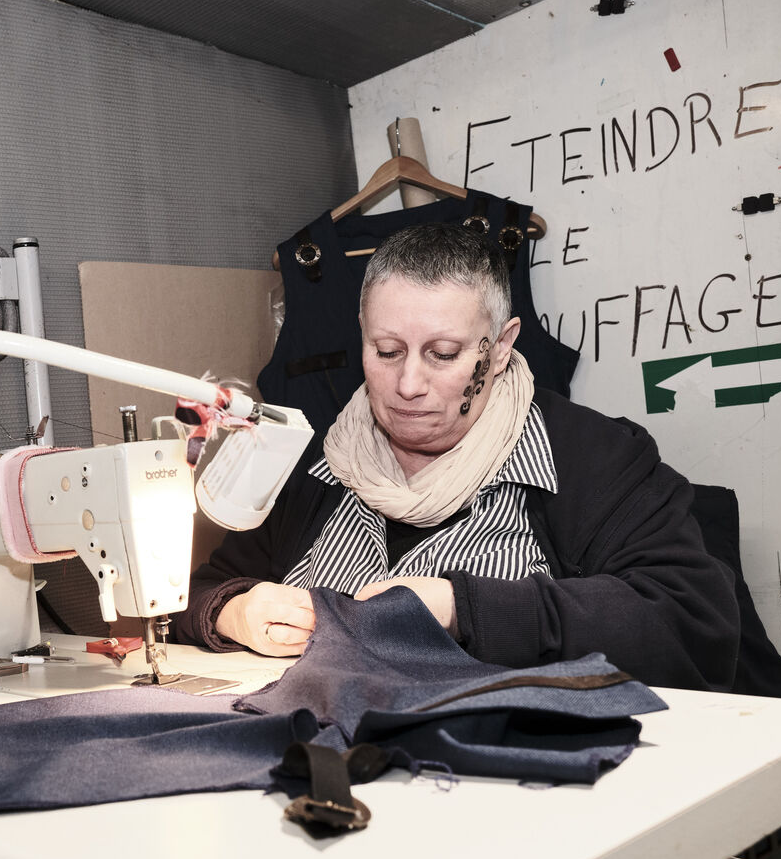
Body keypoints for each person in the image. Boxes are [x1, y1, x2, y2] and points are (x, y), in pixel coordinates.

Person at [172, 222, 741, 691]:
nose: (408, 384)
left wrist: (462, 608)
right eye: (386, 351)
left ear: (501, 347)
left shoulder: (591, 460)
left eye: (443, 354)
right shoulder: (318, 467)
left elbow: (692, 625)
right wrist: (232, 611)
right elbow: (196, 591)